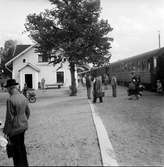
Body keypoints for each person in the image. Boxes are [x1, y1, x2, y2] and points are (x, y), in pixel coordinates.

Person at [3, 79, 30, 167]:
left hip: (15, 129)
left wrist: (6, 131)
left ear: (10, 88)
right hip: (23, 127)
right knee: (22, 147)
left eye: (7, 89)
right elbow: (28, 112)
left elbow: (9, 117)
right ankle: (25, 164)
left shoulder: (10, 100)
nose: (7, 91)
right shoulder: (23, 97)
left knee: (15, 150)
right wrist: (24, 120)